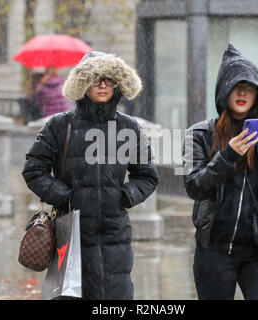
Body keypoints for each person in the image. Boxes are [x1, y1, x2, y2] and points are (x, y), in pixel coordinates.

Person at [22, 51, 159, 300]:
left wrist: (126, 195)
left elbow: (147, 175)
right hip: (70, 231)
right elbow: (33, 168)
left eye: (109, 79)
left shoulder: (128, 128)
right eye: (96, 79)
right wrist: (64, 196)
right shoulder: (60, 126)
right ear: (83, 83)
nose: (103, 85)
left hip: (114, 233)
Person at [183, 44, 258, 300]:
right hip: (214, 252)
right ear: (224, 89)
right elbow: (194, 186)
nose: (242, 92)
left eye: (250, 87)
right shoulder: (199, 134)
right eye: (236, 85)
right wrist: (227, 156)